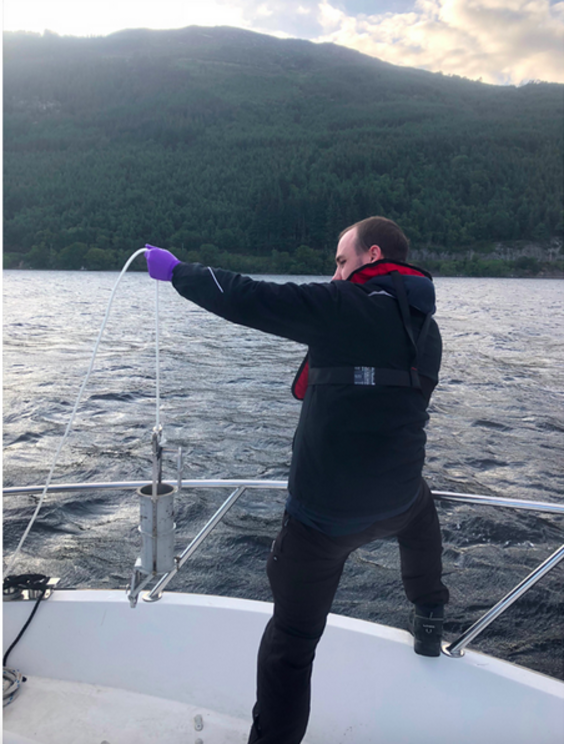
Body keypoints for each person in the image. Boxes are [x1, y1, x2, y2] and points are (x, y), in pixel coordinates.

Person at [145, 216, 449, 744]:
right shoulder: (427, 329)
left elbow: (250, 297)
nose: (335, 275)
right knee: (421, 516)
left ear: (371, 256)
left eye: (340, 261)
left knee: (291, 642)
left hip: (323, 520)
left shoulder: (343, 306)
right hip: (398, 499)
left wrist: (178, 273)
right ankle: (429, 617)